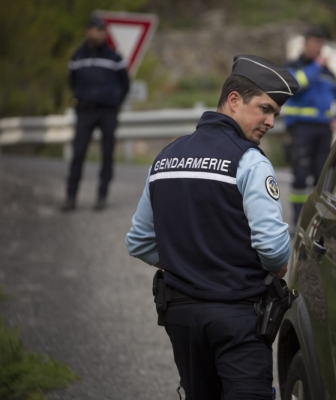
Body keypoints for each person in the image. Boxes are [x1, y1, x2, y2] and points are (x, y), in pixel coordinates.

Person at [125, 54, 299, 399]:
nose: (270, 121)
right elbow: (273, 248)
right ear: (234, 100)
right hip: (238, 316)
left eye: (275, 114)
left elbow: (140, 242)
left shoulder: (166, 157)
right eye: (264, 109)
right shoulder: (249, 160)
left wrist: (187, 265)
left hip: (181, 318)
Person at [284, 26, 336, 225]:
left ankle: (317, 221)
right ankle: (298, 222)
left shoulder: (328, 72)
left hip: (324, 130)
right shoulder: (294, 66)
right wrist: (316, 66)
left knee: (322, 176)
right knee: (301, 176)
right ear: (305, 44)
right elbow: (296, 84)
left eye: (321, 44)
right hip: (301, 128)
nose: (318, 47)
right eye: (314, 43)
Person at [63, 16, 130, 211]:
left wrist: (115, 102)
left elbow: (125, 84)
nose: (98, 33)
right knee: (78, 153)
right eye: (95, 29)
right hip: (85, 112)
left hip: (108, 112)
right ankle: (71, 196)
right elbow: (72, 82)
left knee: (107, 154)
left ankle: (102, 196)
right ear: (87, 32)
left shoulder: (114, 58)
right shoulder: (77, 57)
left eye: (102, 30)